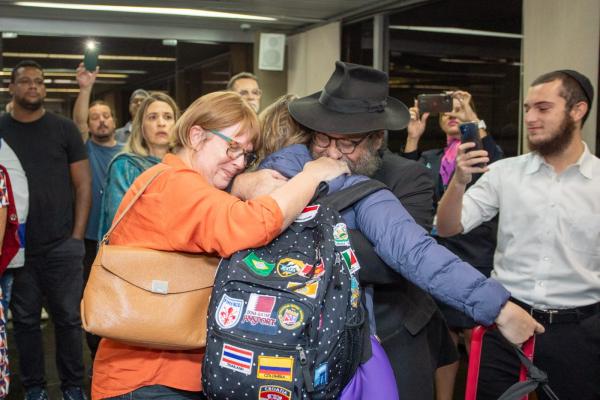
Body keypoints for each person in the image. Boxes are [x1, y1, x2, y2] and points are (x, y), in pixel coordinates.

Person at [234, 61, 544, 399]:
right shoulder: (289, 162)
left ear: (377, 138)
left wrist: (497, 308)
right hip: (277, 337)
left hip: (369, 339)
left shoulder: (373, 193)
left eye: (349, 142)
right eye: (324, 138)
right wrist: (247, 184)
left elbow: (414, 252)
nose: (334, 152)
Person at [90, 91, 349, 399]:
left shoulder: (171, 179)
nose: (239, 162)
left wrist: (239, 183)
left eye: (246, 155)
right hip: (149, 381)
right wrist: (314, 174)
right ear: (196, 135)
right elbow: (256, 223)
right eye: (232, 147)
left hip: (157, 375)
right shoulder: (174, 185)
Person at [436, 69, 600, 400]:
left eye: (543, 108)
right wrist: (458, 182)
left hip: (580, 332)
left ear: (578, 110)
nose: (530, 118)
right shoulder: (504, 173)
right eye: (526, 108)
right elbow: (447, 227)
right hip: (506, 322)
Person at [401, 91, 503, 399]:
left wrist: (470, 111)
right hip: (437, 255)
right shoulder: (430, 159)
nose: (453, 115)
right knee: (443, 339)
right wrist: (412, 137)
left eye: (459, 111)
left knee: (478, 337)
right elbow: (405, 178)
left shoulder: (480, 153)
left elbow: (493, 158)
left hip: (476, 252)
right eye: (448, 112)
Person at [0, 60, 91, 400]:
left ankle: (72, 387)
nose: (33, 87)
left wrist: (77, 238)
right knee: (24, 322)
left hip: (62, 245)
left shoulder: (64, 129)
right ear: (11, 87)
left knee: (68, 320)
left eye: (39, 81)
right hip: (18, 249)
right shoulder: (1, 131)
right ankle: (35, 387)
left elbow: (83, 185)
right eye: (25, 81)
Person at [73, 62, 124, 361]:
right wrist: (86, 88)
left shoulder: (128, 152)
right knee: (92, 297)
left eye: (106, 116)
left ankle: (118, 353)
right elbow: (78, 123)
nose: (101, 121)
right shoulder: (84, 149)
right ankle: (97, 355)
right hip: (90, 239)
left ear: (114, 121)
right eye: (95, 118)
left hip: (120, 239)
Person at [97, 92, 178, 240]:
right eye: (152, 117)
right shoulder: (125, 166)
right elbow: (120, 222)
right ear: (141, 126)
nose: (161, 123)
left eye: (168, 117)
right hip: (137, 254)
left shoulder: (186, 166)